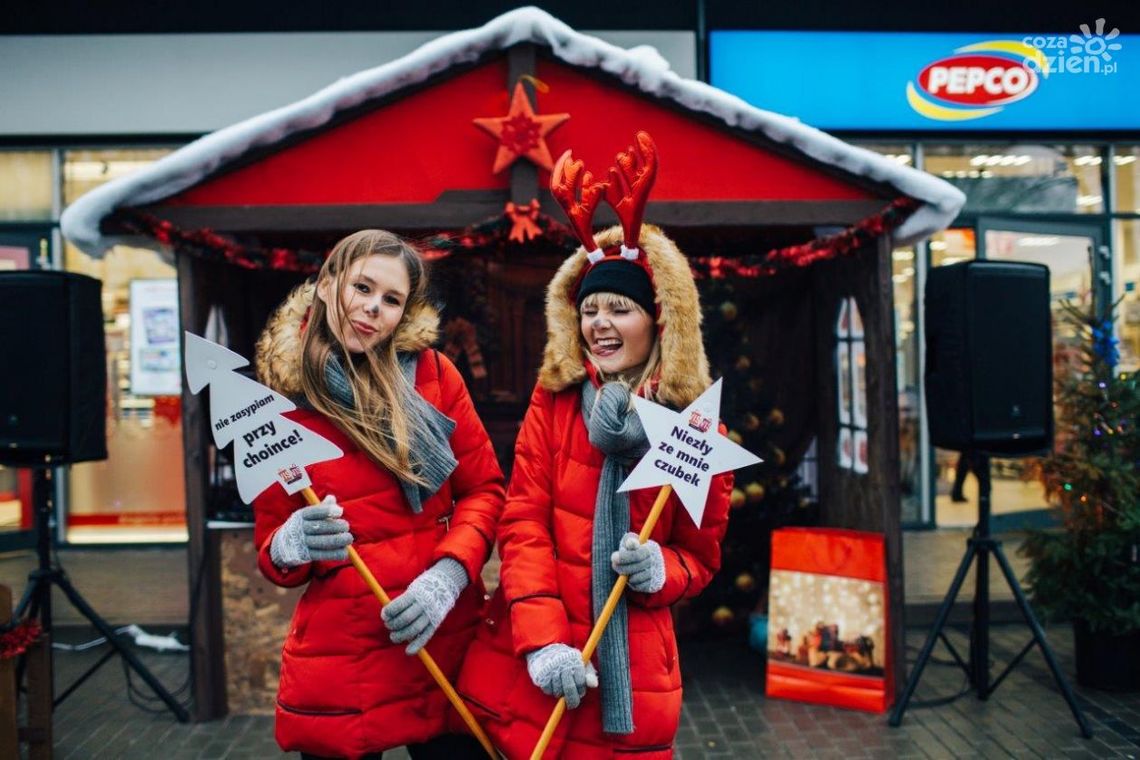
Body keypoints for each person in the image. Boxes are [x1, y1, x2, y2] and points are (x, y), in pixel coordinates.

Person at [457, 134, 733, 757]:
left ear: (658, 321)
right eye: (590, 310)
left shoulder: (696, 431)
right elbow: (523, 522)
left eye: (620, 309)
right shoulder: (555, 403)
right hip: (544, 662)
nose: (600, 324)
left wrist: (662, 570)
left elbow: (700, 558)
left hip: (635, 671)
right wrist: (543, 640)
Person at [251, 229, 505, 760]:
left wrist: (449, 576)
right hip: (347, 657)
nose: (373, 308)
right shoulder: (279, 404)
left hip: (441, 636)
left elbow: (484, 490)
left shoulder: (435, 375)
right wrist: (291, 543)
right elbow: (274, 555)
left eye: (391, 300)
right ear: (326, 285)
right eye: (362, 288)